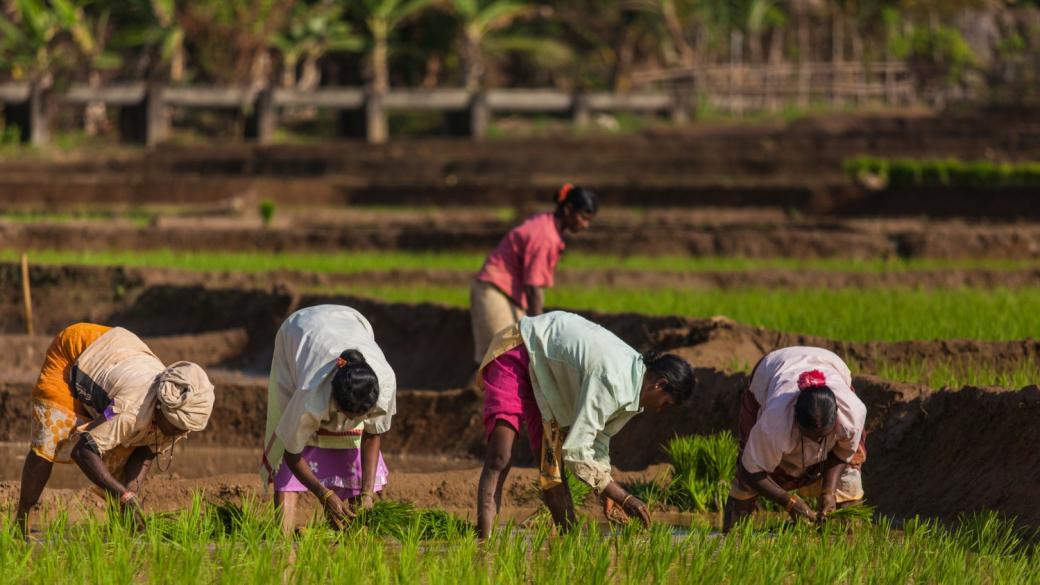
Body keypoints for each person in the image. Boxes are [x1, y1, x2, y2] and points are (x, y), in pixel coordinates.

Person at [475, 310, 695, 538]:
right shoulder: (614, 380)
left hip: (549, 383)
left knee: (553, 473)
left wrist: (606, 492)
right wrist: (624, 497)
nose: (660, 409)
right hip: (521, 350)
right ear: (660, 384)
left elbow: (597, 441)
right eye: (665, 403)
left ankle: (569, 542)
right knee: (501, 455)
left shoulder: (633, 391)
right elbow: (577, 453)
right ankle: (483, 542)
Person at [16, 323, 215, 535]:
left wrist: (131, 494)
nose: (178, 434)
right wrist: (124, 496)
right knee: (51, 437)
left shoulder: (178, 417)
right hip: (75, 352)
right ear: (160, 407)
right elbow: (83, 450)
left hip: (118, 353)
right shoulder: (131, 410)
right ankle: (20, 522)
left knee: (121, 454)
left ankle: (120, 531)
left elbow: (144, 452)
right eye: (175, 428)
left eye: (183, 429)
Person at [262, 305, 396, 532]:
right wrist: (324, 494)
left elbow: (372, 436)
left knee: (352, 439)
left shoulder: (385, 383)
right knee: (289, 429)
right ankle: (282, 538)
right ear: (335, 399)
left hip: (351, 321)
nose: (350, 421)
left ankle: (357, 525)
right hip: (299, 331)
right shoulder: (309, 395)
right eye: (347, 415)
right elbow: (292, 452)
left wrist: (367, 494)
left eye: (360, 416)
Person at [722, 346, 868, 531]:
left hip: (829, 362)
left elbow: (843, 453)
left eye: (822, 437)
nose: (816, 443)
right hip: (773, 368)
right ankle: (731, 540)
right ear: (796, 419)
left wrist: (828, 491)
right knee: (745, 486)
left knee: (848, 484)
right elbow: (751, 470)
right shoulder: (774, 421)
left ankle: (845, 546)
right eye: (809, 436)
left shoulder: (852, 415)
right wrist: (789, 502)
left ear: (836, 417)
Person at [470, 184, 598, 367]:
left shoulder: (548, 224)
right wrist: (540, 329)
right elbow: (533, 288)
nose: (585, 225)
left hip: (510, 294)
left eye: (589, 221)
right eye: (583, 218)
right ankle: (477, 395)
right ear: (569, 209)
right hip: (493, 289)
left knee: (518, 356)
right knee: (501, 357)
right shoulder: (546, 235)